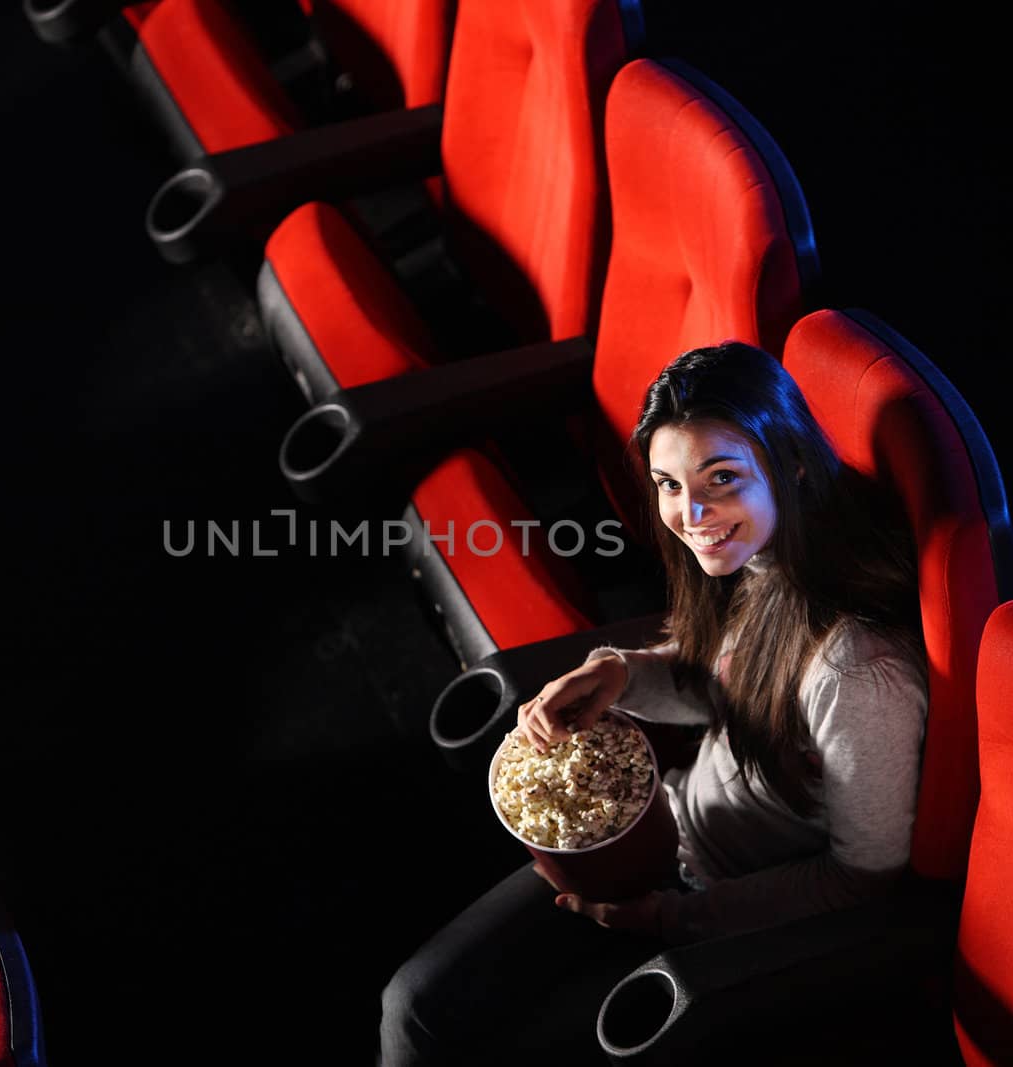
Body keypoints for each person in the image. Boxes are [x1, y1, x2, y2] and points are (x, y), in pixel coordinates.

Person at [380, 342, 928, 1064]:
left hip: (718, 918)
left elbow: (862, 878)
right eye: (668, 484)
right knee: (413, 1005)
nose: (689, 511)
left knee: (450, 1030)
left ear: (792, 464)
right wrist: (620, 675)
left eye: (720, 478)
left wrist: (670, 917)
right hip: (665, 836)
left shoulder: (859, 674)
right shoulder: (769, 558)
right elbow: (727, 682)